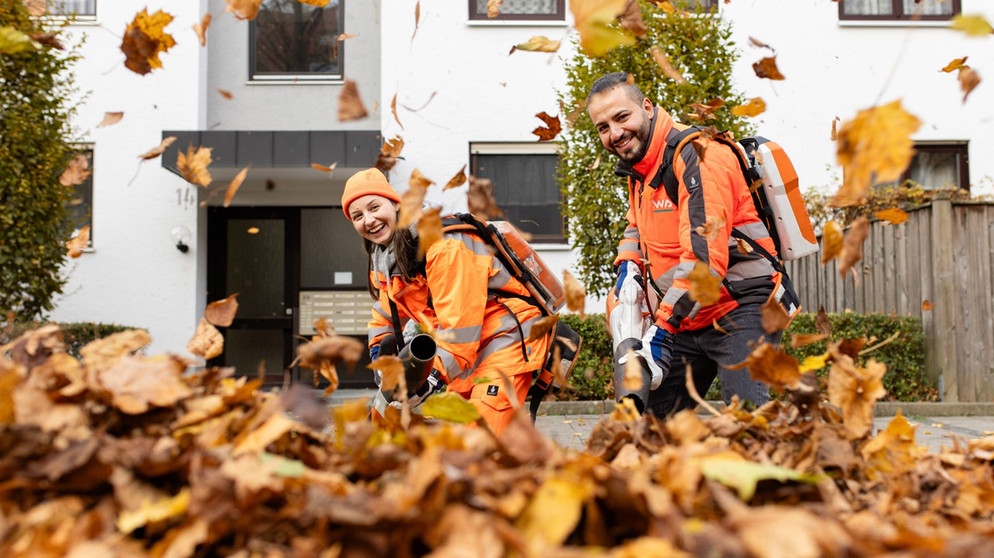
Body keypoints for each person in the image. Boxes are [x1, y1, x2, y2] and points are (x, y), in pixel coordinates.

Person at [586, 71, 778, 417]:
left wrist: (662, 330)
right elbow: (636, 229)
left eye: (621, 117)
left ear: (646, 107)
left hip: (741, 305)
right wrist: (627, 266)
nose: (614, 133)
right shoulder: (642, 169)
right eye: (603, 127)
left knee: (749, 422)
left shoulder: (698, 157)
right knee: (653, 428)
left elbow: (704, 262)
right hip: (689, 315)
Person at [341, 168, 553, 435]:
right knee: (456, 442)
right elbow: (384, 314)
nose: (368, 220)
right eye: (357, 216)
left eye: (374, 207)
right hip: (468, 354)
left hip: (505, 339)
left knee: (482, 437)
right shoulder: (387, 259)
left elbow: (460, 327)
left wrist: (430, 377)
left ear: (396, 204)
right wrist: (380, 360)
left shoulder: (444, 246)